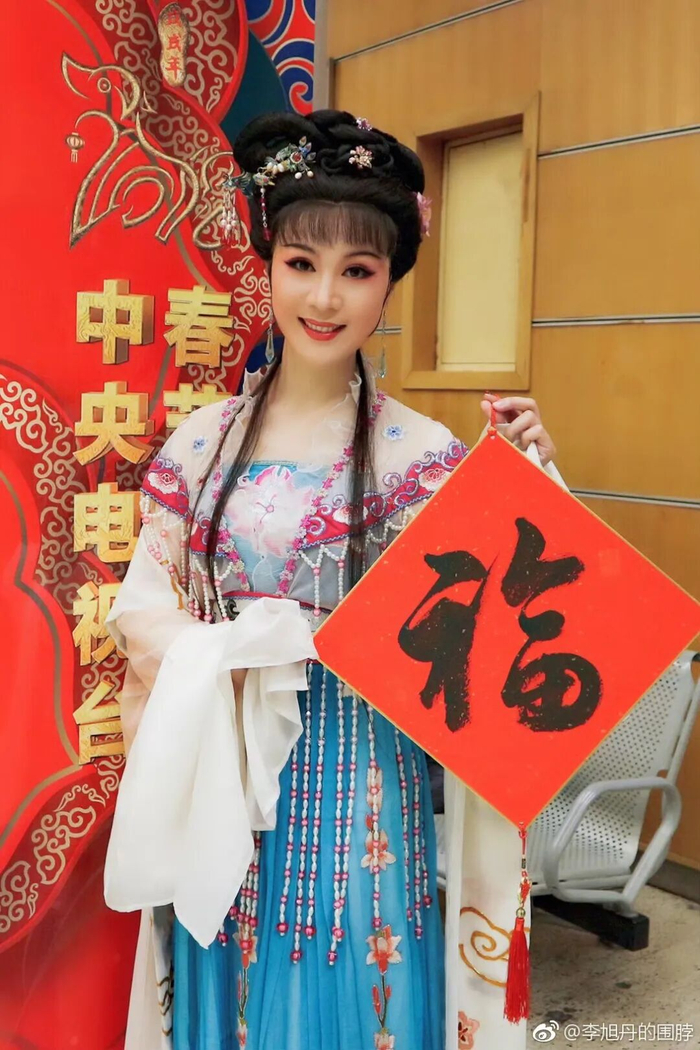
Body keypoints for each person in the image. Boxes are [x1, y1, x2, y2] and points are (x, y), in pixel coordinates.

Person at [103, 108, 563, 1050]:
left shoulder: (421, 457)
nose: (324, 296)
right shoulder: (203, 443)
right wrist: (233, 649)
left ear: (389, 283)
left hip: (363, 795)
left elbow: (517, 619)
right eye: (301, 262)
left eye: (357, 270)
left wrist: (532, 483)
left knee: (356, 992)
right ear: (267, 267)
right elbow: (143, 608)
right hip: (223, 784)